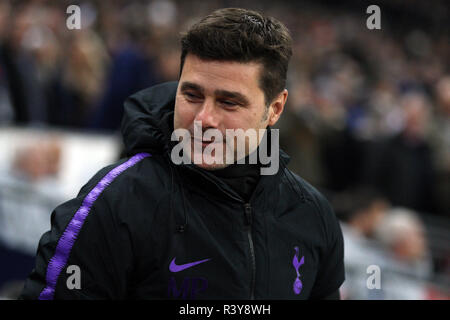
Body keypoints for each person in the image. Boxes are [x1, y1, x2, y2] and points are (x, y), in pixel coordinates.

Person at [20, 8, 344, 300]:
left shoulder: (312, 216)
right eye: (191, 95)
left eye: (228, 102)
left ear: (274, 109)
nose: (203, 119)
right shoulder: (116, 203)